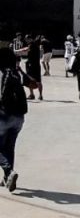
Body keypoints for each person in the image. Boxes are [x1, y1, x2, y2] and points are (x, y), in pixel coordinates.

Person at [0, 47, 31, 192]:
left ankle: (8, 171)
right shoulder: (16, 73)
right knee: (9, 147)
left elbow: (2, 96)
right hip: (19, 117)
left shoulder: (3, 73)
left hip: (5, 115)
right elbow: (33, 84)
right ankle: (7, 177)